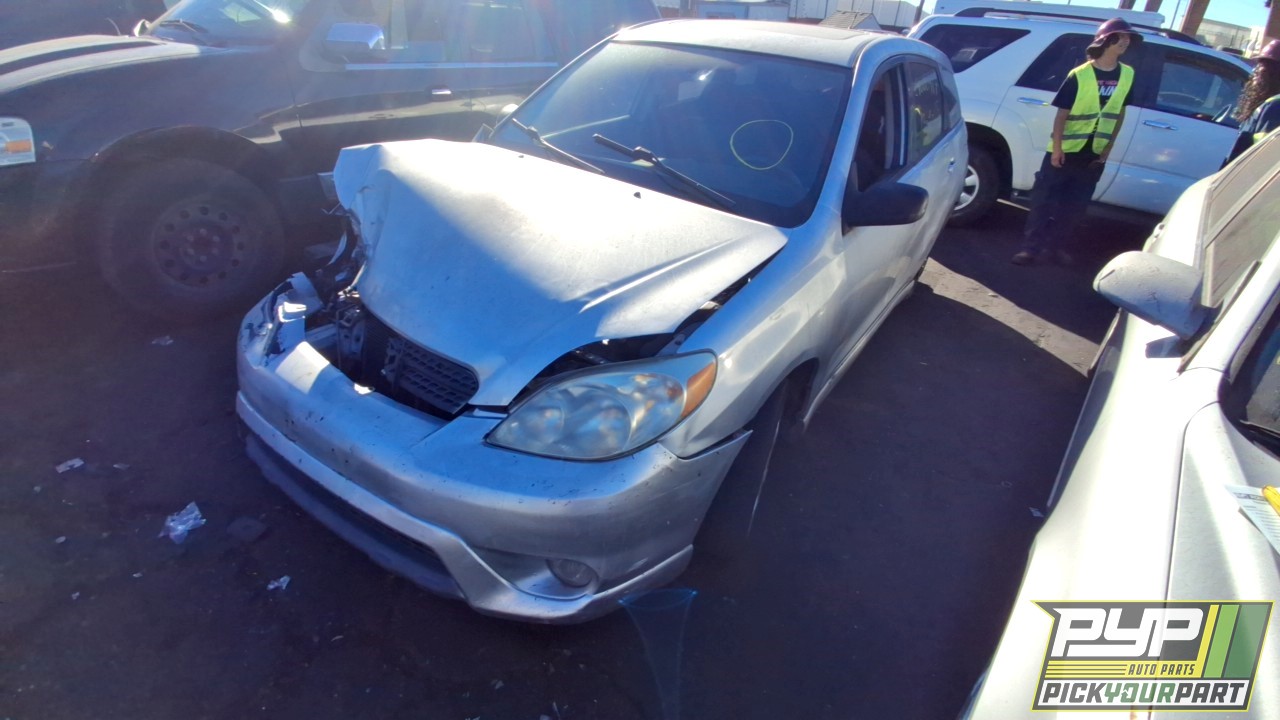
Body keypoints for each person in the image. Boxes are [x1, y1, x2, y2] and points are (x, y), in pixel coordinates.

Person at [1012, 18, 1140, 266]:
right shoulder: (1080, 75)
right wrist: (1057, 149)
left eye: (1128, 39)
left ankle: (1055, 248)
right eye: (1121, 37)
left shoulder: (1127, 74)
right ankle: (1030, 249)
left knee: (1074, 208)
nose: (1126, 42)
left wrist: (1108, 148)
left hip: (1093, 155)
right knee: (1044, 203)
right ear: (1106, 40)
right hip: (1065, 152)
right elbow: (1062, 114)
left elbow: (1120, 112)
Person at [1224, 39, 1280, 165]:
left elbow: (1263, 158)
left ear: (1274, 74)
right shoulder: (1268, 105)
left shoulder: (1275, 107)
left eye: (1261, 67)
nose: (1255, 71)